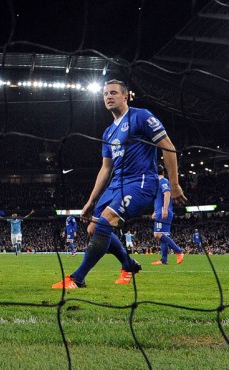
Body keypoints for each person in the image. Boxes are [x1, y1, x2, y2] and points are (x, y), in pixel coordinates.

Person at [53, 79, 187, 289]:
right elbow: (106, 169)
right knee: (92, 229)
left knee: (106, 222)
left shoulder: (140, 116)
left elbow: (168, 147)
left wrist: (174, 183)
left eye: (114, 92)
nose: (108, 96)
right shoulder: (108, 132)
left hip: (140, 182)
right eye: (105, 94)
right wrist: (91, 201)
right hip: (116, 185)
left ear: (125, 96)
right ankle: (128, 264)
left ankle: (77, 278)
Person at [151, 165, 184, 265]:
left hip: (163, 211)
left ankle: (179, 251)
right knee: (164, 236)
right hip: (160, 210)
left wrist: (164, 209)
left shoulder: (163, 181)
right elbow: (159, 198)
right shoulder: (158, 182)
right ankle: (164, 260)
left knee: (157, 234)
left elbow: (167, 194)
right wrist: (154, 211)